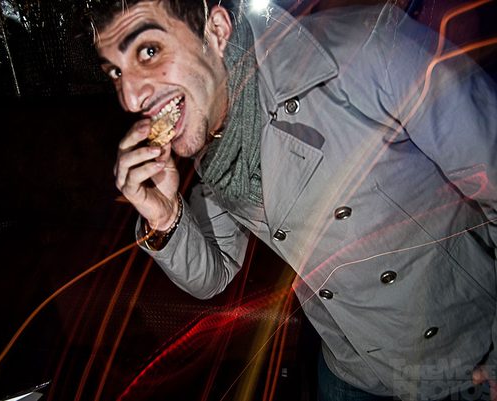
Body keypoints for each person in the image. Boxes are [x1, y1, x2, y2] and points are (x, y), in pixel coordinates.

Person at [90, 0, 497, 399]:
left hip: (464, 355)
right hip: (351, 367)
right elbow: (216, 273)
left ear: (216, 30)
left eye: (149, 51)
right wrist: (166, 219)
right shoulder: (215, 137)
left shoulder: (371, 49)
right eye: (116, 72)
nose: (130, 99)